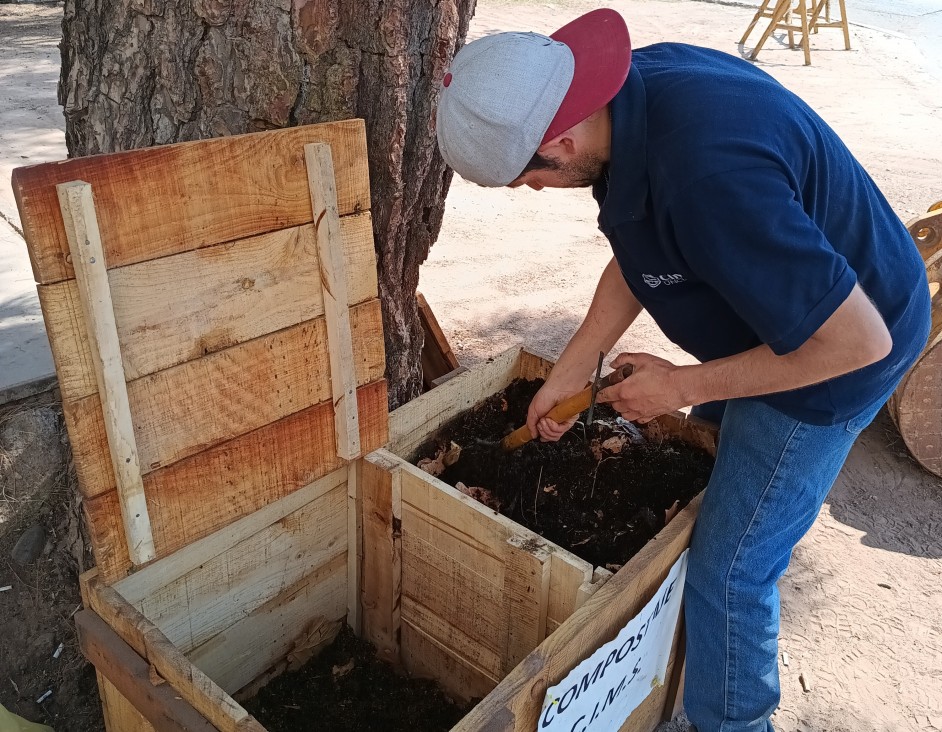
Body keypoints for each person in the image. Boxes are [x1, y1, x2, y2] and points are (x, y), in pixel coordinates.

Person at [434, 9, 931, 732]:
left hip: (841, 349)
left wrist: (684, 385)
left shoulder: (704, 174)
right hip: (786, 314)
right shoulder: (630, 104)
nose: (531, 194)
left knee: (732, 570)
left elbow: (856, 343)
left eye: (525, 181)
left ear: (559, 142)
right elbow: (643, 241)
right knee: (707, 486)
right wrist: (577, 363)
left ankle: (732, 722)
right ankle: (692, 668)